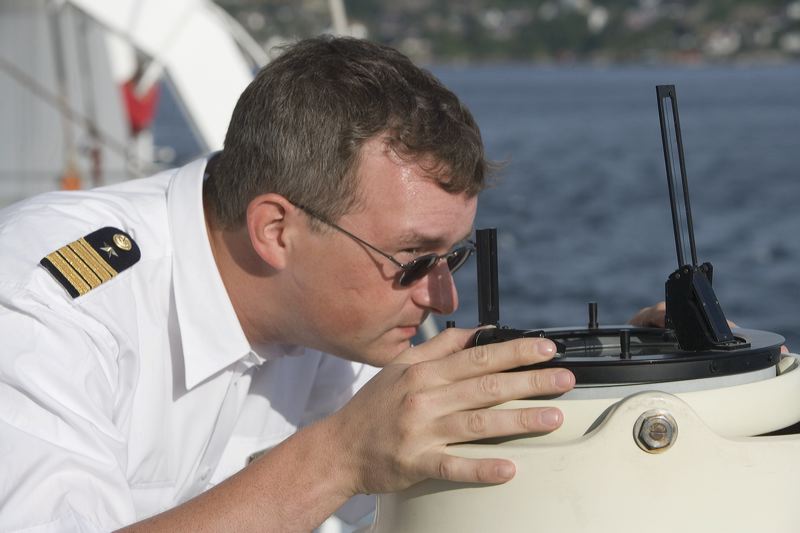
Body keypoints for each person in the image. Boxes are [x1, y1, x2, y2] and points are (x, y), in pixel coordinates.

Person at [0, 37, 577, 532]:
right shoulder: (44, 304)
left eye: (451, 257)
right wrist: (338, 458)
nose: (441, 297)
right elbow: (350, 457)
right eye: (411, 259)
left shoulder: (340, 319)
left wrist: (641, 384)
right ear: (276, 231)